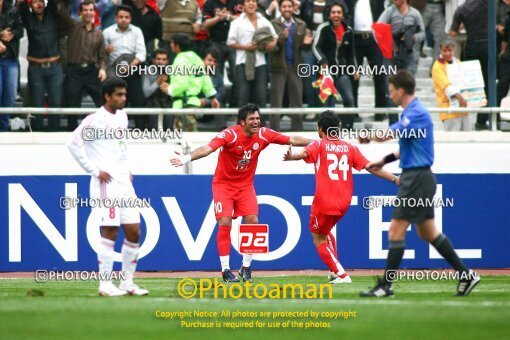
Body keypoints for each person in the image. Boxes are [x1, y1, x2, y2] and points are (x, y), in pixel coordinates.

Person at [358, 70, 480, 297]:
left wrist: (368, 135)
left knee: (395, 230)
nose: (390, 94)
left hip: (416, 178)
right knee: (428, 233)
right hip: (420, 177)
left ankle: (386, 286)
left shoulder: (416, 113)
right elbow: (405, 147)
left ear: (401, 90)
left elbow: (390, 134)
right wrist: (382, 161)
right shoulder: (412, 114)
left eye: (392, 90)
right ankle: (466, 275)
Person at [170, 103, 310, 283]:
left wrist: (316, 142)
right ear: (242, 122)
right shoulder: (230, 134)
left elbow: (291, 139)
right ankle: (225, 270)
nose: (256, 122)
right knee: (225, 221)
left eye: (258, 118)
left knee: (253, 220)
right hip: (223, 185)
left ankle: (246, 267)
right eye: (252, 119)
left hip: (245, 186)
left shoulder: (264, 134)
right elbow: (208, 148)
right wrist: (185, 158)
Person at [283, 111, 399, 284]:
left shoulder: (319, 144)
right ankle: (333, 271)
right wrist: (395, 178)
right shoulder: (350, 147)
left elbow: (305, 153)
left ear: (320, 129)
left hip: (324, 200)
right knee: (326, 232)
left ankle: (341, 274)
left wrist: (292, 157)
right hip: (344, 201)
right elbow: (371, 167)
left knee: (318, 237)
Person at [67, 78, 149, 297]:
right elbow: (73, 143)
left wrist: (127, 168)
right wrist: (94, 170)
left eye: (124, 94)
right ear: (107, 96)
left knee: (134, 230)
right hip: (106, 184)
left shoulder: (122, 116)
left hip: (124, 182)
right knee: (111, 230)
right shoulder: (95, 120)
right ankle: (105, 284)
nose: (123, 98)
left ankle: (127, 282)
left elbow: (121, 148)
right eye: (119, 95)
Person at [58, 0, 107, 131]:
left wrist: (102, 69)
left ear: (95, 13)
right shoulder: (73, 26)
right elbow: (62, 14)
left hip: (91, 70)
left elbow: (102, 56)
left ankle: (107, 129)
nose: (88, 12)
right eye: (85, 10)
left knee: (103, 101)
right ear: (80, 13)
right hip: (74, 71)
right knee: (72, 105)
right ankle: (72, 133)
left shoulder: (99, 34)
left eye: (91, 10)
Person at [312, 1, 358, 130]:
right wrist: (323, 62)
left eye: (339, 12)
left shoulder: (349, 31)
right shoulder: (323, 28)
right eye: (333, 12)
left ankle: (348, 129)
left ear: (343, 15)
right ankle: (324, 133)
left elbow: (351, 54)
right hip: (325, 73)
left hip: (341, 72)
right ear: (329, 15)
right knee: (324, 104)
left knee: (349, 99)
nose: (336, 15)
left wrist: (354, 69)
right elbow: (315, 47)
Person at [159, 33, 219, 131]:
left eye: (172, 43)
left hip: (184, 105)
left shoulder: (180, 60)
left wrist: (169, 89)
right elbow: (205, 79)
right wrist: (212, 97)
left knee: (187, 139)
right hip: (193, 104)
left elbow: (182, 84)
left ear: (177, 46)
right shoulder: (197, 59)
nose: (170, 45)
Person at [19, 0, 64, 131]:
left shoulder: (52, 15)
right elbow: (22, 5)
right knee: (37, 103)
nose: (38, 4)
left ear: (45, 3)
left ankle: (54, 132)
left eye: (40, 2)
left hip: (55, 68)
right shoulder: (27, 18)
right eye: (35, 2)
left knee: (56, 102)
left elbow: (54, 3)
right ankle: (37, 133)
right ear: (30, 5)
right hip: (35, 69)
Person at [227, 0, 277, 108]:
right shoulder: (237, 22)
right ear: (243, 5)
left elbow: (275, 36)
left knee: (261, 96)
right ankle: (242, 125)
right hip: (242, 63)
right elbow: (230, 42)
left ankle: (261, 124)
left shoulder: (263, 20)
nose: (251, 3)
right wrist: (246, 47)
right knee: (243, 96)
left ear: (256, 4)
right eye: (248, 1)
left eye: (253, 1)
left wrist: (270, 45)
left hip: (260, 63)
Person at [269, 0, 310, 131]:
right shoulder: (273, 24)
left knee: (297, 100)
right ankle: (274, 132)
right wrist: (282, 38)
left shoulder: (301, 24)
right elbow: (271, 46)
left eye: (289, 6)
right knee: (276, 101)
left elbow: (302, 46)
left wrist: (307, 43)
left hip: (295, 66)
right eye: (284, 6)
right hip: (278, 67)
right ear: (280, 8)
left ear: (293, 8)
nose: (287, 9)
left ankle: (298, 130)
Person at [103, 5, 147, 127]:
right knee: (115, 103)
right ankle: (113, 129)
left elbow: (142, 54)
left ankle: (141, 131)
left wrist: (129, 66)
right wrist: (106, 50)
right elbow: (101, 55)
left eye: (126, 17)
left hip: (133, 68)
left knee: (138, 101)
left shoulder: (137, 31)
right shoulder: (107, 32)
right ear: (116, 18)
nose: (124, 19)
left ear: (131, 18)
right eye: (121, 17)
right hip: (114, 72)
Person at [344, 0, 388, 120]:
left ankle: (380, 112)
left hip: (373, 39)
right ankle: (353, 112)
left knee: (379, 75)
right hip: (355, 39)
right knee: (354, 76)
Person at [449, 0, 488, 130]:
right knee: (487, 83)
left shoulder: (462, 8)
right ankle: (482, 120)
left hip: (472, 45)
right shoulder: (487, 3)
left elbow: (453, 32)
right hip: (487, 44)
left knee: (470, 84)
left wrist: (463, 26)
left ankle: (466, 117)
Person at [431, 38, 470, 131]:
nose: (447, 53)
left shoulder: (457, 62)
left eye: (450, 50)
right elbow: (446, 86)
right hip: (449, 110)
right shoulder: (437, 66)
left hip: (463, 108)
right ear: (440, 50)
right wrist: (460, 97)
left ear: (454, 49)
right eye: (445, 50)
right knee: (452, 141)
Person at [378, 0, 425, 75]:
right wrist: (388, 43)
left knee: (408, 81)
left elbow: (422, 33)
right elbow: (378, 29)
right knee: (390, 81)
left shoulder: (415, 14)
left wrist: (413, 37)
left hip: (409, 53)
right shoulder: (389, 12)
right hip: (391, 54)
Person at [0, 0, 23, 131]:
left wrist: (10, 35)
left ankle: (3, 127)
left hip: (10, 58)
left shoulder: (13, 10)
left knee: (10, 94)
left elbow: (20, 31)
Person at [142, 48, 173, 129]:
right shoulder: (148, 71)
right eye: (158, 59)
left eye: (164, 59)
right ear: (153, 60)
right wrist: (157, 83)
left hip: (169, 104)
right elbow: (146, 93)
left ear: (168, 61)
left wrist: (169, 89)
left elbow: (178, 92)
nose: (161, 62)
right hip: (153, 104)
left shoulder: (173, 72)